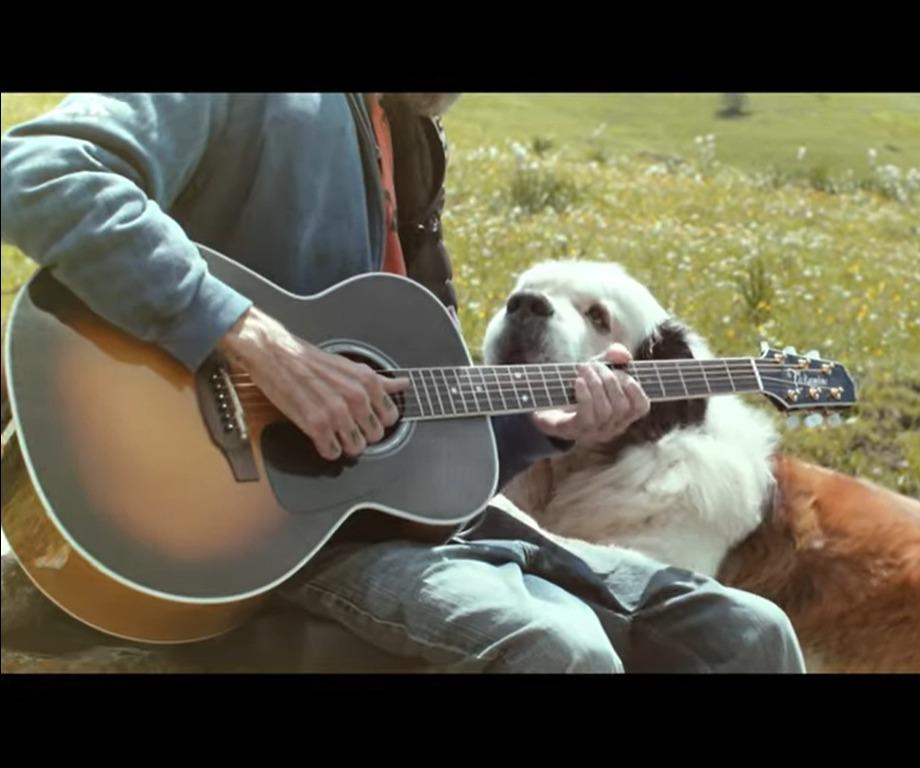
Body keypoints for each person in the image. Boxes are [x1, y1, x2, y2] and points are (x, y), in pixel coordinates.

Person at [0, 93, 805, 673]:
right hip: (248, 526)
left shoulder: (409, 145)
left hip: (385, 518)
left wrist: (543, 428)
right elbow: (37, 167)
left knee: (746, 634)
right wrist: (249, 335)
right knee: (559, 652)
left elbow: (409, 425)